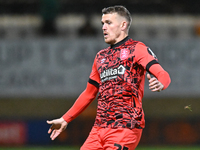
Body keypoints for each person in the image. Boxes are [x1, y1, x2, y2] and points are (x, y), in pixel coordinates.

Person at [47, 5, 171, 150]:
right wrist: (65, 119)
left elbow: (163, 74)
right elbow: (89, 94)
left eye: (109, 23)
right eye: (102, 24)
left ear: (123, 25)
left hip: (125, 126)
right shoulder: (101, 57)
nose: (103, 28)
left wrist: (161, 83)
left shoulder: (137, 49)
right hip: (98, 129)